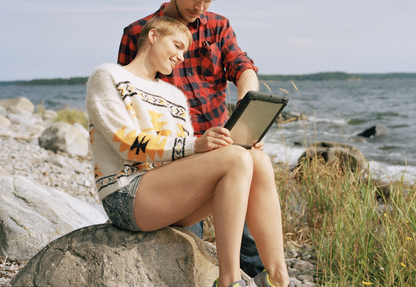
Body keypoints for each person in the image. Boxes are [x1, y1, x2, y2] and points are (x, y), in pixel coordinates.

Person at [87, 16, 293, 287]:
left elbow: (182, 157)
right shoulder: (109, 77)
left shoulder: (175, 96)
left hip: (169, 196)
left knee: (257, 159)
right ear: (153, 37)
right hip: (127, 195)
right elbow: (128, 144)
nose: (181, 57)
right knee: (237, 158)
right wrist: (198, 144)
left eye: (185, 51)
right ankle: (229, 281)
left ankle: (278, 278)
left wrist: (230, 142)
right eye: (177, 46)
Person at [117, 0, 263, 276]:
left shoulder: (218, 26)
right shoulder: (139, 33)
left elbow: (243, 67)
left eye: (208, 1)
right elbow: (131, 109)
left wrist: (246, 105)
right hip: (176, 157)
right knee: (187, 244)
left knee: (248, 237)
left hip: (222, 144)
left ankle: (261, 280)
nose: (200, 8)